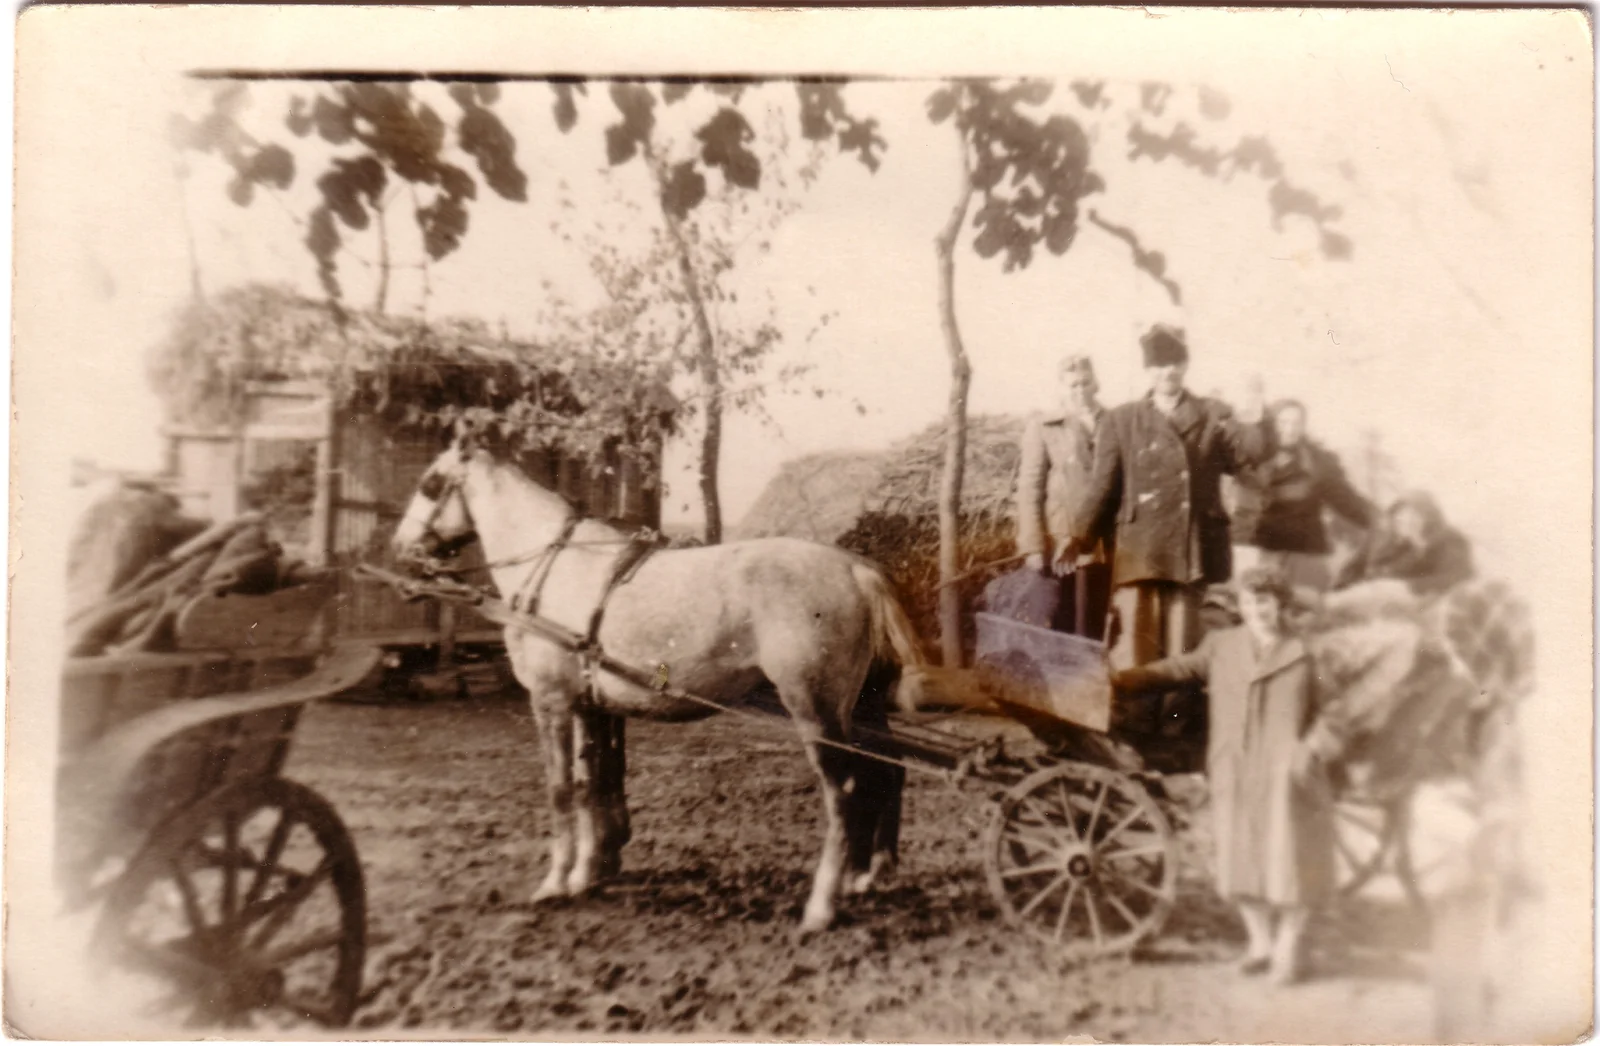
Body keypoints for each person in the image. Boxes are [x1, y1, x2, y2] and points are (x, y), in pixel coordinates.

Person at [1111, 565, 1346, 985]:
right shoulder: (1223, 645)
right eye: (1250, 602)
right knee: (1239, 864)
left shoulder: (1306, 651)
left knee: (1289, 864)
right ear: (1241, 605)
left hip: (1285, 773)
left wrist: (1309, 751)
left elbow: (1336, 710)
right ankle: (1260, 945)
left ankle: (1287, 950)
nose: (1258, 610)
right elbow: (1180, 668)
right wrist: (1121, 679)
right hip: (1234, 767)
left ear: (1281, 604)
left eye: (1265, 601)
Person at [1062, 324, 1275, 675]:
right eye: (1159, 364)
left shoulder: (1213, 414)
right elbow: (1103, 485)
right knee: (1136, 646)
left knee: (1181, 645)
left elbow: (1248, 457)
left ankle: (1177, 711)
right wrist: (1078, 535)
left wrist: (1253, 414)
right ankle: (1132, 707)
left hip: (1191, 548)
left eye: (1175, 362)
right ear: (1148, 370)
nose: (1168, 371)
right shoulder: (1122, 419)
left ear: (1185, 365)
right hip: (1141, 548)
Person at [1230, 399, 1374, 592]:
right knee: (1252, 602)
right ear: (1271, 423)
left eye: (1296, 423)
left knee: (1303, 605)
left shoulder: (1317, 462)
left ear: (1304, 426)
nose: (1290, 430)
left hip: (1301, 553)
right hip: (1253, 547)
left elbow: (1346, 500)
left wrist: (1378, 519)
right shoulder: (1249, 455)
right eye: (1283, 422)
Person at [1013, 353, 1111, 638]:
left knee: (1105, 620)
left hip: (1108, 541)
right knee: (1067, 620)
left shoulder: (1114, 422)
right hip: (1063, 542)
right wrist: (1033, 546)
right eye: (1073, 385)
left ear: (1096, 383)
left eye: (1085, 383)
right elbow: (1030, 488)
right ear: (1061, 388)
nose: (1080, 391)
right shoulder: (1045, 427)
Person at [1332, 490, 1474, 598]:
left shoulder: (1450, 540)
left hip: (1418, 605)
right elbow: (1353, 567)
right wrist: (1339, 590)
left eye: (1414, 516)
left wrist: (1406, 587)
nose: (1404, 522)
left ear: (1429, 517)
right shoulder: (1388, 539)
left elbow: (1457, 577)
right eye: (1399, 517)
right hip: (1369, 596)